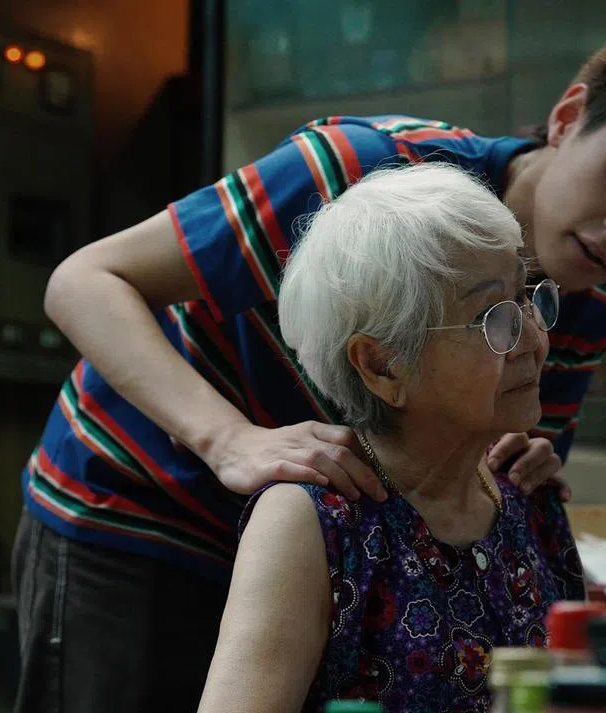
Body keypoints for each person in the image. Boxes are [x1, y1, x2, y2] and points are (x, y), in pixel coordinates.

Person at [11, 28, 606, 713]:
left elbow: (506, 453)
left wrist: (524, 458)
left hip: (323, 536)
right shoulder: (361, 169)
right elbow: (84, 280)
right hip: (145, 501)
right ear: (570, 117)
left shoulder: (591, 288)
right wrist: (227, 439)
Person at [199, 161, 581, 713]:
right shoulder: (311, 522)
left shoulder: (527, 492)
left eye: (525, 296)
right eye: (493, 316)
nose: (532, 339)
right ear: (382, 366)